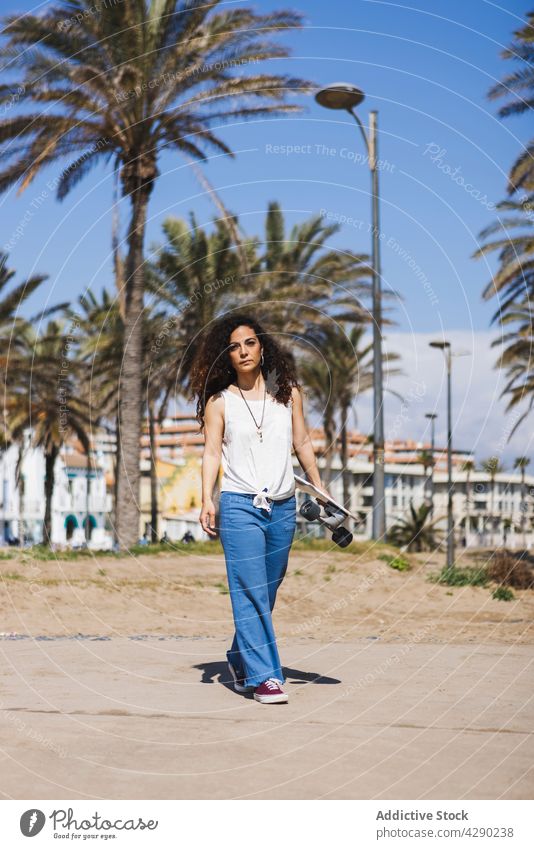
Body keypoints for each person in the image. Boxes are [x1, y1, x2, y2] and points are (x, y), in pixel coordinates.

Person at [191, 313, 332, 705]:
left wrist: (319, 488)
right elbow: (212, 452)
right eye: (234, 347)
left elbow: (302, 443)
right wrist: (208, 499)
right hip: (239, 506)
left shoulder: (289, 395)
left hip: (283, 507)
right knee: (249, 589)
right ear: (227, 357)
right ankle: (265, 677)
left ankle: (240, 656)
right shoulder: (220, 403)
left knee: (267, 589)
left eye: (249, 343)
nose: (243, 351)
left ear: (262, 346)